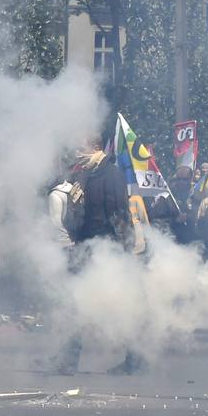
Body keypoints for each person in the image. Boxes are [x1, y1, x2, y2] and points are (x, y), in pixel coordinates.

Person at [50, 148, 144, 376]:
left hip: (107, 251)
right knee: (79, 304)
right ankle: (68, 360)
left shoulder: (111, 174)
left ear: (93, 148)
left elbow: (119, 214)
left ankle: (135, 360)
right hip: (89, 250)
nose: (77, 153)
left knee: (122, 307)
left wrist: (124, 249)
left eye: (80, 148)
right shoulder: (89, 174)